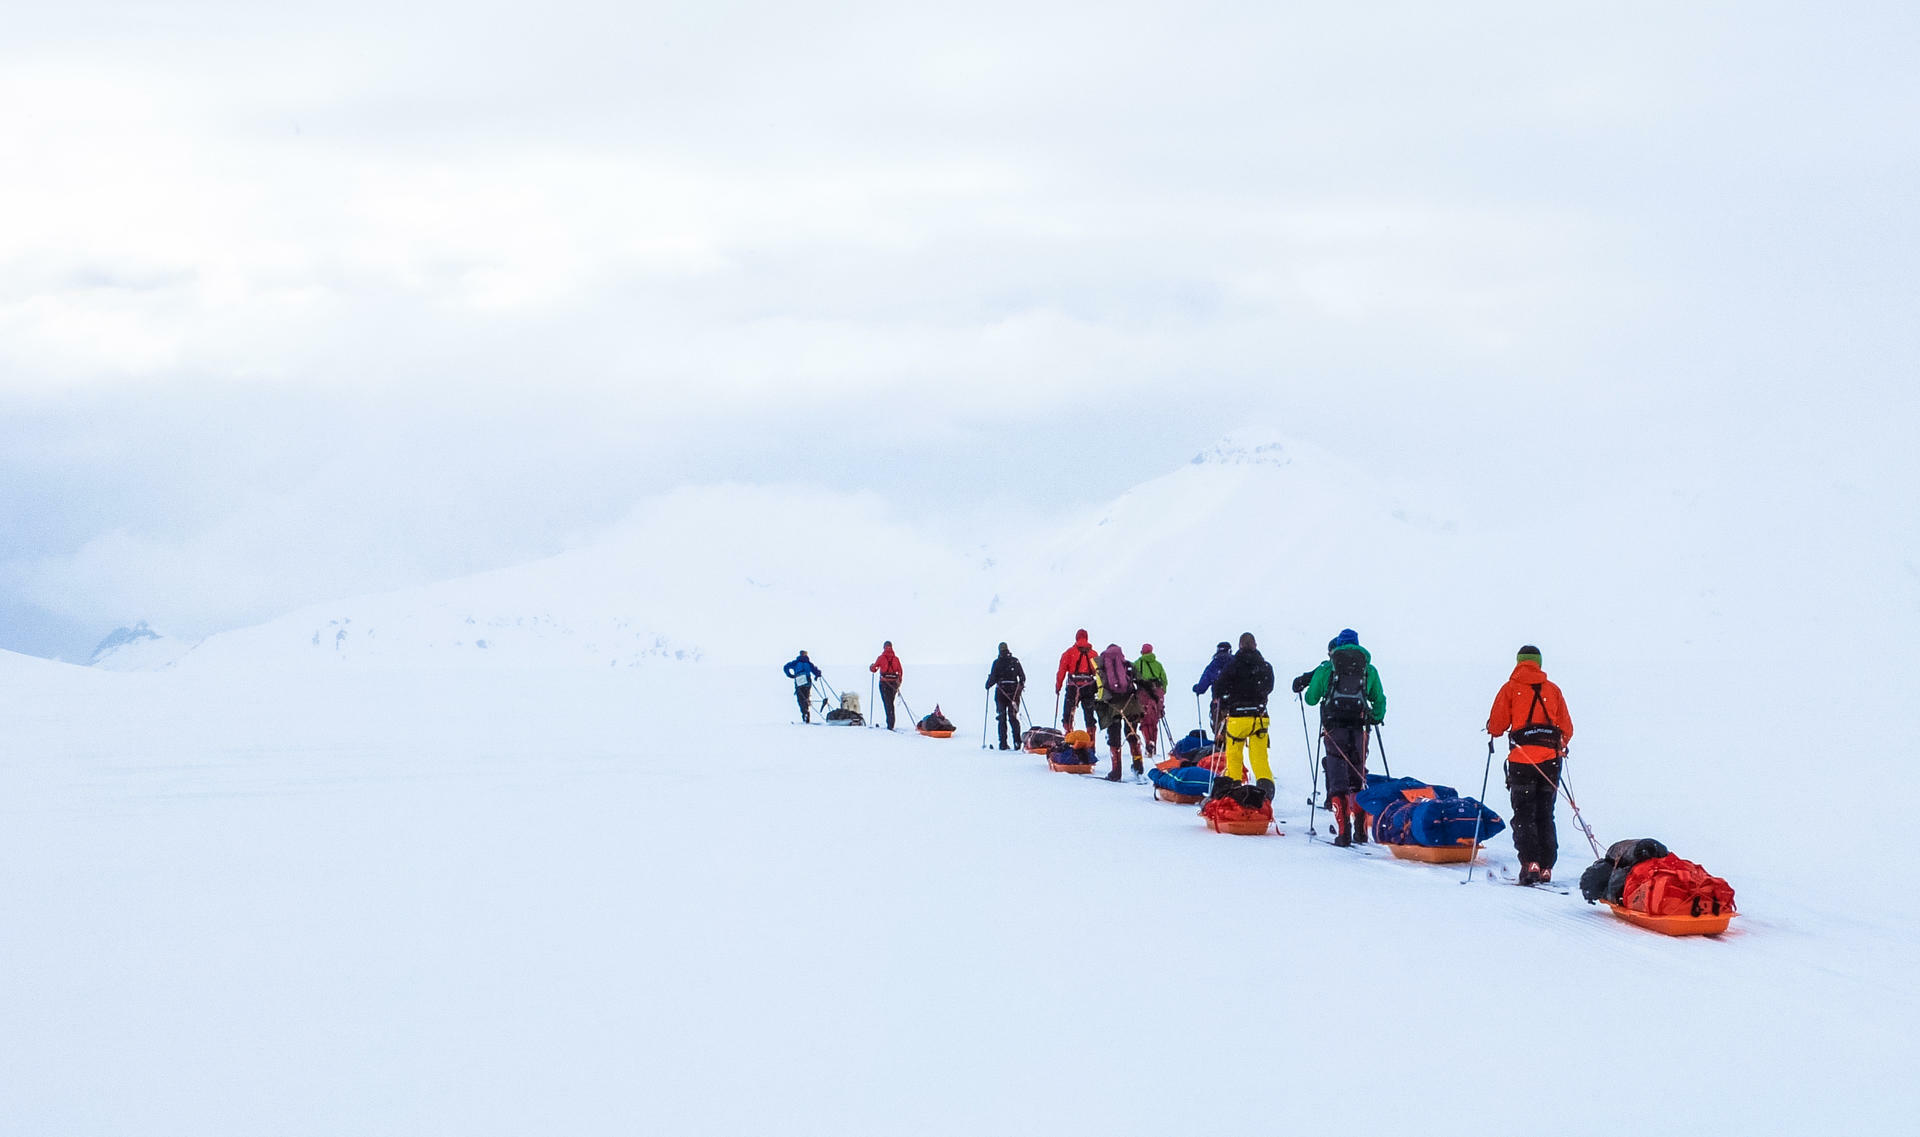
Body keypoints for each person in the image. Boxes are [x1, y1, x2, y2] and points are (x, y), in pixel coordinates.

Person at [1486, 644, 1575, 886]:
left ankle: (1530, 863)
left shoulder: (1510, 689)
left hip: (1522, 761)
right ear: (1539, 663)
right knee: (1546, 813)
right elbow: (1567, 729)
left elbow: (1496, 726)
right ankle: (1546, 867)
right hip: (1550, 762)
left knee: (1524, 814)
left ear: (1519, 662)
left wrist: (1493, 728)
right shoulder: (1553, 690)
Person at [1294, 628, 1387, 847]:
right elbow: (1379, 699)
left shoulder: (1328, 667)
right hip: (1360, 728)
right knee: (1358, 775)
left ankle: (1343, 832)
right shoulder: (1368, 669)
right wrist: (1375, 716)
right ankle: (1361, 831)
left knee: (1338, 777)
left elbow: (1310, 698)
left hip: (1334, 727)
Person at [1209, 633, 1275, 803]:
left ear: (1239, 646)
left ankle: (1235, 794)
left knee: (1234, 757)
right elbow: (1269, 687)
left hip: (1238, 717)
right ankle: (1265, 796)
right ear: (1255, 645)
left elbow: (1219, 688)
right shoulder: (1265, 666)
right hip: (1259, 718)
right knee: (1260, 759)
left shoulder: (1232, 666)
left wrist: (1227, 699)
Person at [1094, 643, 1146, 781]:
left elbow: (1099, 688)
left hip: (1113, 707)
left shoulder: (1102, 667)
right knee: (1132, 735)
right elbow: (1141, 682)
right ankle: (1138, 766)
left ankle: (1116, 772)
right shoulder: (1128, 665)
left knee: (1114, 739)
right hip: (1131, 704)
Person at [1054, 629, 1100, 735]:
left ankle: (1069, 735)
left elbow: (1061, 671)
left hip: (1073, 687)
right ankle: (1091, 742)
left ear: (1076, 638)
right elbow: (1098, 672)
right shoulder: (1093, 654)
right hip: (1089, 688)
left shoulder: (1069, 653)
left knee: (1068, 715)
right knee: (1089, 716)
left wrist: (1058, 686)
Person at [984, 643, 1027, 749]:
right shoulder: (1015, 661)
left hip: (1001, 694)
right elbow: (1022, 677)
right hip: (1014, 693)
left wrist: (988, 684)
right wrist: (1020, 686)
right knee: (1013, 717)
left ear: (999, 651)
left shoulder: (997, 663)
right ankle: (1017, 743)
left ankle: (1002, 744)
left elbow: (992, 679)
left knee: (1001, 718)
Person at [1191, 641, 1234, 738]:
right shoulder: (1236, 663)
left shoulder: (1213, 665)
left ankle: (1220, 747)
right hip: (1235, 703)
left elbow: (1202, 686)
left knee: (1218, 728)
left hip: (1218, 703)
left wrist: (1197, 688)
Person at [1133, 644, 1168, 759]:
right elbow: (1164, 680)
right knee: (1154, 721)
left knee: (1145, 720)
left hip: (1144, 693)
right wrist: (1162, 692)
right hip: (1157, 694)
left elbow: (1132, 677)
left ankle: (1148, 743)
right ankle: (1154, 743)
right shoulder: (1158, 664)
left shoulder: (1137, 663)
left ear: (1142, 652)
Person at [869, 641, 904, 730]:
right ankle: (891, 723)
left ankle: (890, 724)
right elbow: (900, 671)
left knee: (887, 703)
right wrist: (899, 683)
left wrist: (871, 666)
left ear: (884, 647)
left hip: (884, 683)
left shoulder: (881, 658)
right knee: (890, 703)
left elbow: (874, 669)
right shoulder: (896, 659)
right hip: (893, 684)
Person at [782, 650, 823, 723]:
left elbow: (786, 667)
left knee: (801, 699)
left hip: (799, 682)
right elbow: (817, 671)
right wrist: (817, 676)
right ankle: (806, 714)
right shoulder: (809, 663)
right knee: (806, 698)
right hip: (807, 682)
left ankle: (805, 714)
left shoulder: (796, 663)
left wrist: (790, 675)